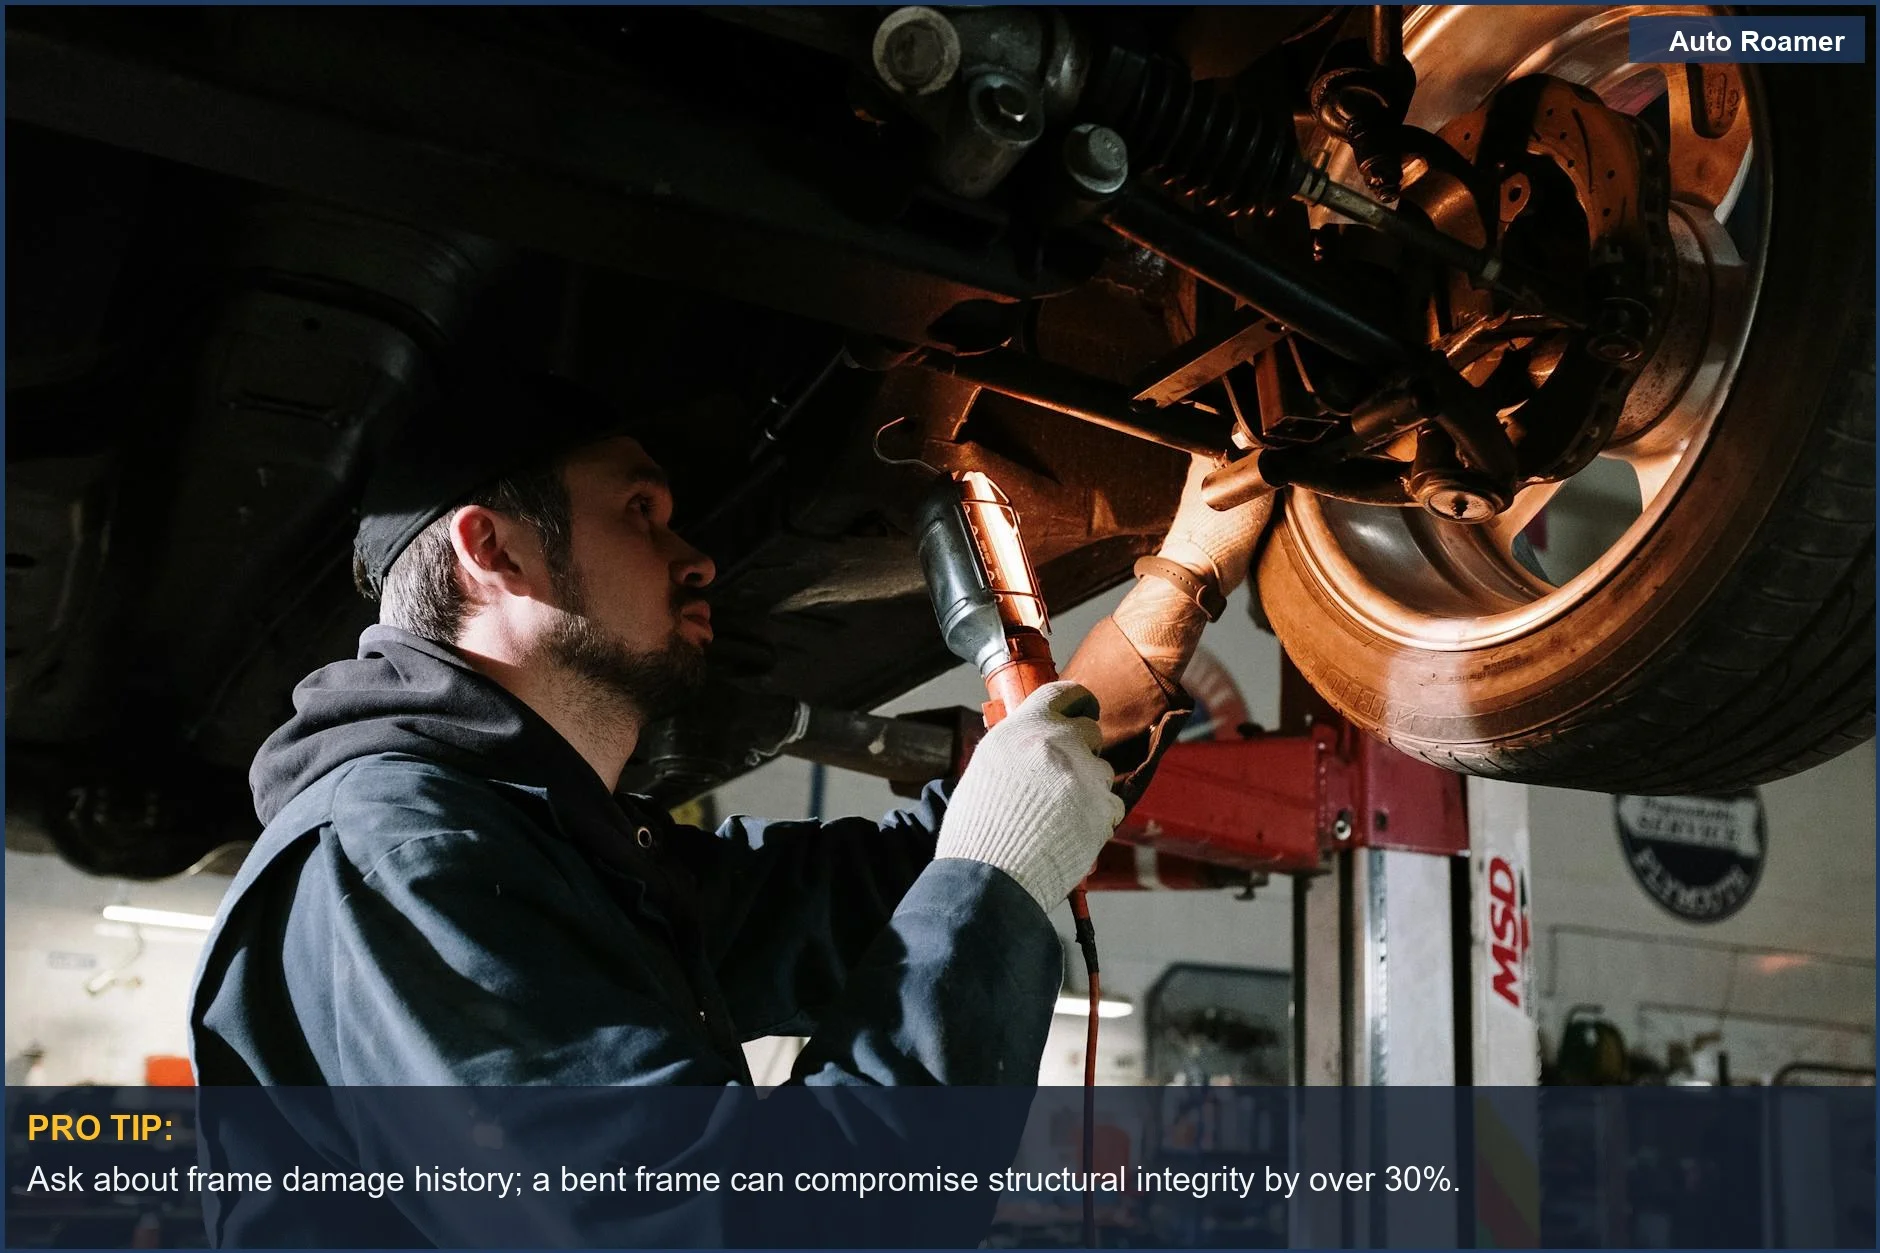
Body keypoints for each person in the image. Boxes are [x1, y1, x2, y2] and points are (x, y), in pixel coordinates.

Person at [189, 370, 1270, 1090]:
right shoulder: (394, 856)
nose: (698, 555)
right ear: (494, 551)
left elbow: (903, 881)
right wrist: (996, 871)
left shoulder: (561, 856)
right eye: (640, 512)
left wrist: (1180, 580)